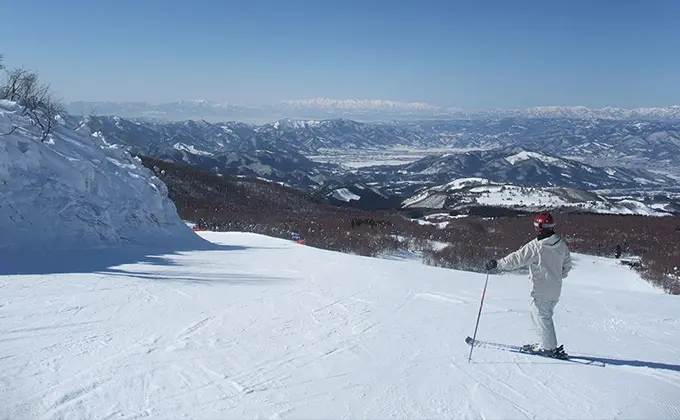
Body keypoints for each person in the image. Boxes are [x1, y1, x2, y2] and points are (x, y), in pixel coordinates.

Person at [484, 212, 572, 359]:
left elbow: (516, 259)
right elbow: (567, 265)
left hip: (542, 288)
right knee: (540, 315)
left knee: (541, 315)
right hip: (555, 287)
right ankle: (544, 343)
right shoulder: (561, 244)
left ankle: (549, 348)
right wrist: (556, 276)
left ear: (538, 227)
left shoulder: (536, 247)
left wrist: (498, 264)